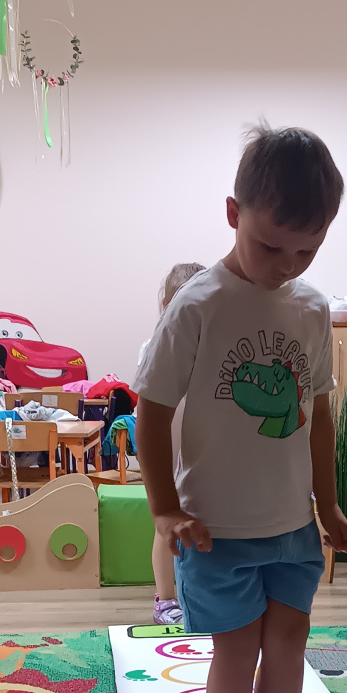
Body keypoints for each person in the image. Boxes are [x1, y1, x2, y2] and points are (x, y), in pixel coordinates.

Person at [135, 123, 347, 693]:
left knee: (288, 645)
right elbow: (150, 409)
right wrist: (164, 510)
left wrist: (327, 503)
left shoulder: (310, 307)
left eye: (306, 251)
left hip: (291, 524)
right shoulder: (198, 304)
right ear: (234, 214)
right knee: (237, 650)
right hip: (217, 528)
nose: (286, 265)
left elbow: (319, 413)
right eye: (270, 246)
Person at [135, 261, 207, 626]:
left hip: (200, 447)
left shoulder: (213, 345)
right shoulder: (156, 345)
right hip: (169, 444)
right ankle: (165, 597)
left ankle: (196, 592)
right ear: (166, 307)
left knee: (200, 521)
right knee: (166, 523)